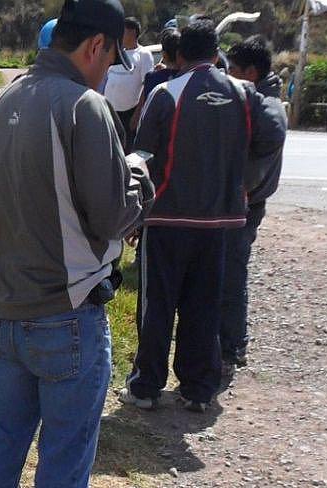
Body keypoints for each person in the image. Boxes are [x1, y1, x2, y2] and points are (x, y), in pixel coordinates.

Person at [0, 0, 153, 488]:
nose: (110, 74)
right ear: (95, 46)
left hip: (9, 310)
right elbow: (112, 217)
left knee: (2, 443)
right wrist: (138, 177)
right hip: (69, 315)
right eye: (112, 59)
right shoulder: (83, 107)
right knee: (63, 463)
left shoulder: (4, 103)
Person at [120, 18, 287, 412]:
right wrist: (242, 179)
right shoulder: (243, 93)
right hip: (220, 223)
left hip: (167, 220)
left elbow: (142, 156)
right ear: (216, 54)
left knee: (157, 306)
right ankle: (198, 389)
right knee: (204, 306)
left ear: (179, 55)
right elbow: (274, 132)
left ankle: (146, 387)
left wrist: (135, 214)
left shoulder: (166, 93)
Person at [220, 36, 288, 375]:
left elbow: (268, 140)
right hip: (239, 203)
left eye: (232, 70)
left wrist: (241, 186)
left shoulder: (266, 106)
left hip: (243, 208)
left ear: (251, 72)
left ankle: (232, 347)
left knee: (232, 277)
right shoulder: (255, 99)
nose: (227, 76)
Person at [102, 17, 154, 149]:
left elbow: (147, 86)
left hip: (130, 113)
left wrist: (137, 115)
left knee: (127, 149)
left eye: (123, 31)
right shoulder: (117, 52)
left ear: (132, 32)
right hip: (111, 111)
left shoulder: (143, 54)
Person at [129, 30, 181, 150]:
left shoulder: (153, 78)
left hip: (154, 140)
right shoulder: (187, 77)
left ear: (164, 55)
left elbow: (137, 117)